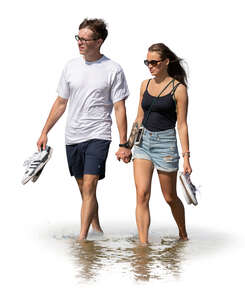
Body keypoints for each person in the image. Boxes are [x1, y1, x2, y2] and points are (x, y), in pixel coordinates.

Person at [37, 18, 131, 240]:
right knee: (84, 189)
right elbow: (61, 102)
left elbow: (119, 107)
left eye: (84, 39)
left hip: (99, 134)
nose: (79, 42)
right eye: (77, 37)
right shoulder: (70, 66)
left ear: (98, 42)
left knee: (89, 185)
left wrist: (123, 142)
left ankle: (82, 238)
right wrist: (44, 131)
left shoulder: (113, 69)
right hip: (73, 136)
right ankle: (96, 228)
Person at [132, 43, 192, 243]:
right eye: (147, 62)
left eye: (154, 62)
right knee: (142, 194)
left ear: (166, 62)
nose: (150, 66)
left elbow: (182, 125)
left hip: (166, 143)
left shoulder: (179, 89)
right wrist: (127, 145)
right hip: (143, 143)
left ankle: (183, 234)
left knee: (169, 197)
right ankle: (143, 244)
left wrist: (186, 157)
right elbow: (139, 118)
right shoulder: (144, 85)